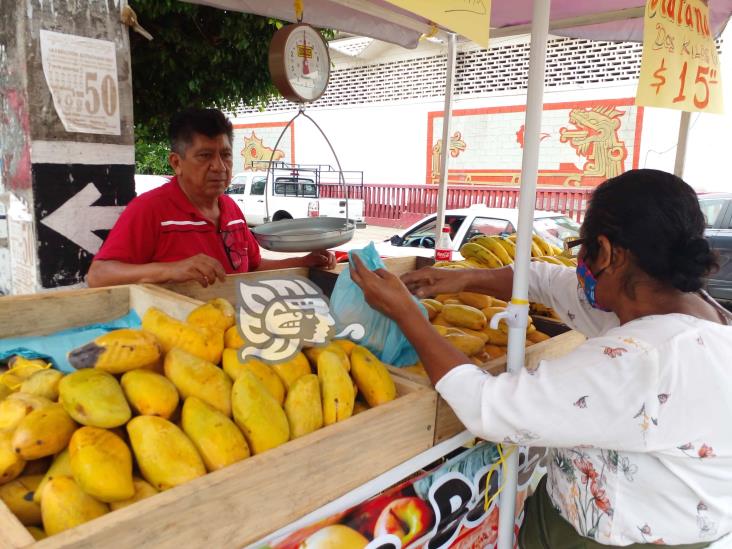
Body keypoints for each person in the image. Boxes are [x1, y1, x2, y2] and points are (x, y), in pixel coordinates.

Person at [350, 169, 731, 548]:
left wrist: (408, 316)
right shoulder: (685, 310)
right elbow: (544, 280)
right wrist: (464, 279)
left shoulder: (643, 359)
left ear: (609, 252)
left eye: (583, 247)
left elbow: (488, 405)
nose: (580, 264)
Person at [86, 108, 335, 288]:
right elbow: (99, 275)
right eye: (205, 156)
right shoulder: (150, 210)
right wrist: (171, 270)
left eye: (225, 155)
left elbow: (252, 266)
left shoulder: (232, 211)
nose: (219, 167)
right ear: (177, 163)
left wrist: (303, 261)